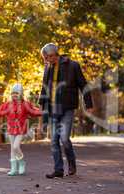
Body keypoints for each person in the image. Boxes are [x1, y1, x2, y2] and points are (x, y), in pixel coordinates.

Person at [38, 43, 93, 179]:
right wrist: (41, 105)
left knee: (64, 139)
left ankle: (72, 163)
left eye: (46, 58)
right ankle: (58, 170)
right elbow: (44, 87)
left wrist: (88, 104)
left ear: (52, 55)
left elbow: (83, 85)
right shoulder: (47, 67)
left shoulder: (73, 65)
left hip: (67, 107)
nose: (45, 60)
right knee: (54, 141)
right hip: (53, 108)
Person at [0, 83, 41, 176]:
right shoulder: (7, 104)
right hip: (11, 129)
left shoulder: (25, 104)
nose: (14, 95)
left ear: (21, 94)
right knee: (12, 149)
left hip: (21, 129)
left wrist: (43, 112)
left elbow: (34, 111)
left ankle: (22, 162)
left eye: (17, 93)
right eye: (13, 93)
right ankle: (14, 169)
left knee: (16, 147)